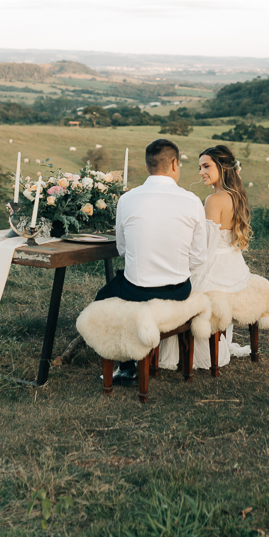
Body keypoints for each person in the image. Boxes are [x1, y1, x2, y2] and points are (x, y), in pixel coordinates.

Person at [158, 144, 269, 371]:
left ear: (222, 167)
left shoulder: (214, 200)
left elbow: (206, 248)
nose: (201, 172)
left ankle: (183, 352)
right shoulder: (236, 195)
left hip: (215, 269)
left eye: (206, 166)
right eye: (200, 167)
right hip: (235, 270)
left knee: (172, 286)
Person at [94, 137, 207, 385]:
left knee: (103, 296)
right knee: (121, 285)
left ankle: (126, 365)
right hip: (178, 291)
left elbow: (122, 250)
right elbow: (198, 257)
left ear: (147, 167)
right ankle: (136, 361)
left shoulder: (127, 199)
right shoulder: (192, 201)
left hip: (136, 289)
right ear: (175, 164)